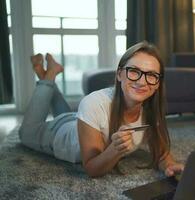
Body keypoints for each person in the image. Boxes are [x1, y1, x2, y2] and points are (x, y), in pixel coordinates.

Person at [19, 41, 184, 178]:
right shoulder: (94, 103)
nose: (142, 82)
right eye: (134, 71)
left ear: (157, 84)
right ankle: (49, 75)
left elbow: (161, 151)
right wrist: (114, 149)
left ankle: (45, 74)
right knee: (25, 133)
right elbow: (91, 169)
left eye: (151, 75)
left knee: (73, 114)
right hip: (57, 134)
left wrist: (170, 164)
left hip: (79, 120)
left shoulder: (150, 107)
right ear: (119, 74)